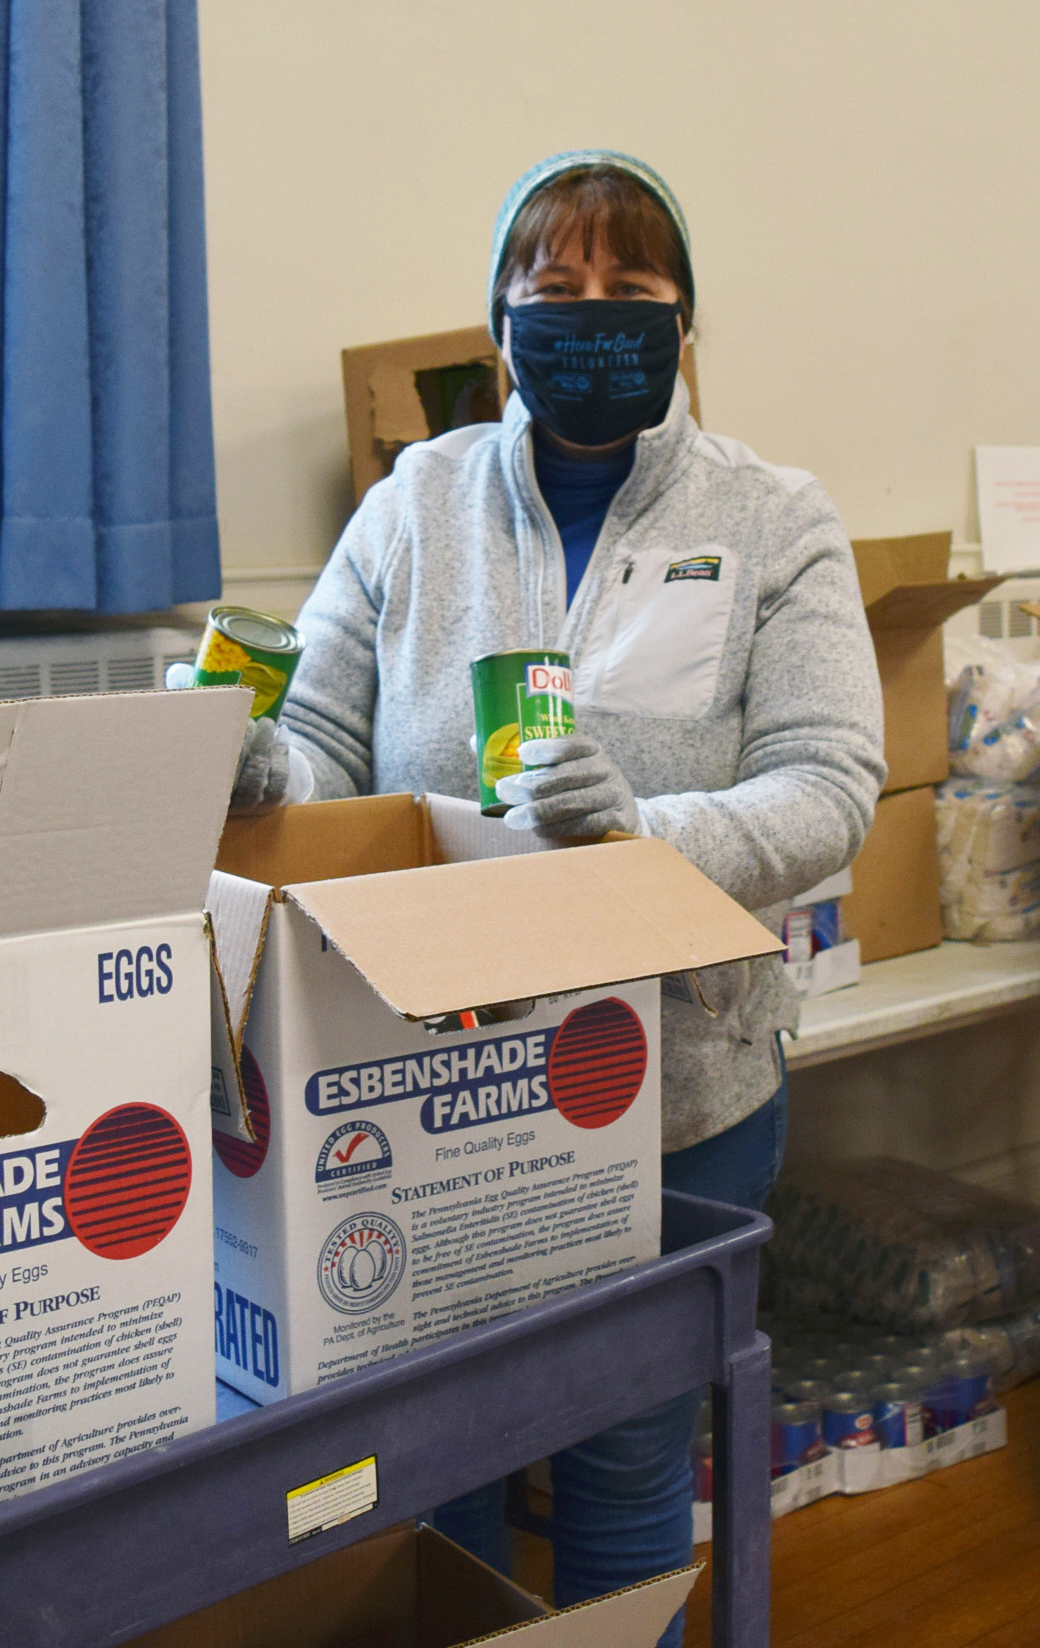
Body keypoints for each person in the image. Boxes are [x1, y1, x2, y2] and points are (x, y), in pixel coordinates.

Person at [249, 150, 884, 1638]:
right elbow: (324, 743)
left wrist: (643, 833)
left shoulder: (773, 516)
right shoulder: (417, 499)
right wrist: (246, 760)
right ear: (497, 322)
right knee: (437, 1464)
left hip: (670, 1083)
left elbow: (827, 780)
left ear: (683, 321)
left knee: (620, 1462)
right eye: (554, 289)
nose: (589, 314)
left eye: (628, 289)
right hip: (425, 1081)